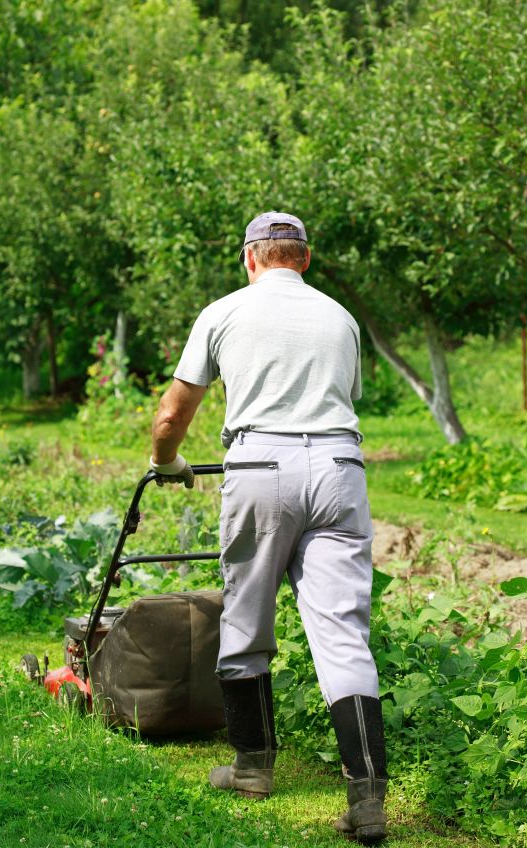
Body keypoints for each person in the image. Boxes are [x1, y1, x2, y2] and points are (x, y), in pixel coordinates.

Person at [150, 211, 388, 843]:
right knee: (342, 632)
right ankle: (367, 797)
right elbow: (343, 395)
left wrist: (166, 462)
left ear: (249, 259)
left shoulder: (223, 312)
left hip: (260, 466)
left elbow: (173, 414)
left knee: (247, 616)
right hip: (340, 467)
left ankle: (253, 766)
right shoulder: (340, 318)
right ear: (304, 259)